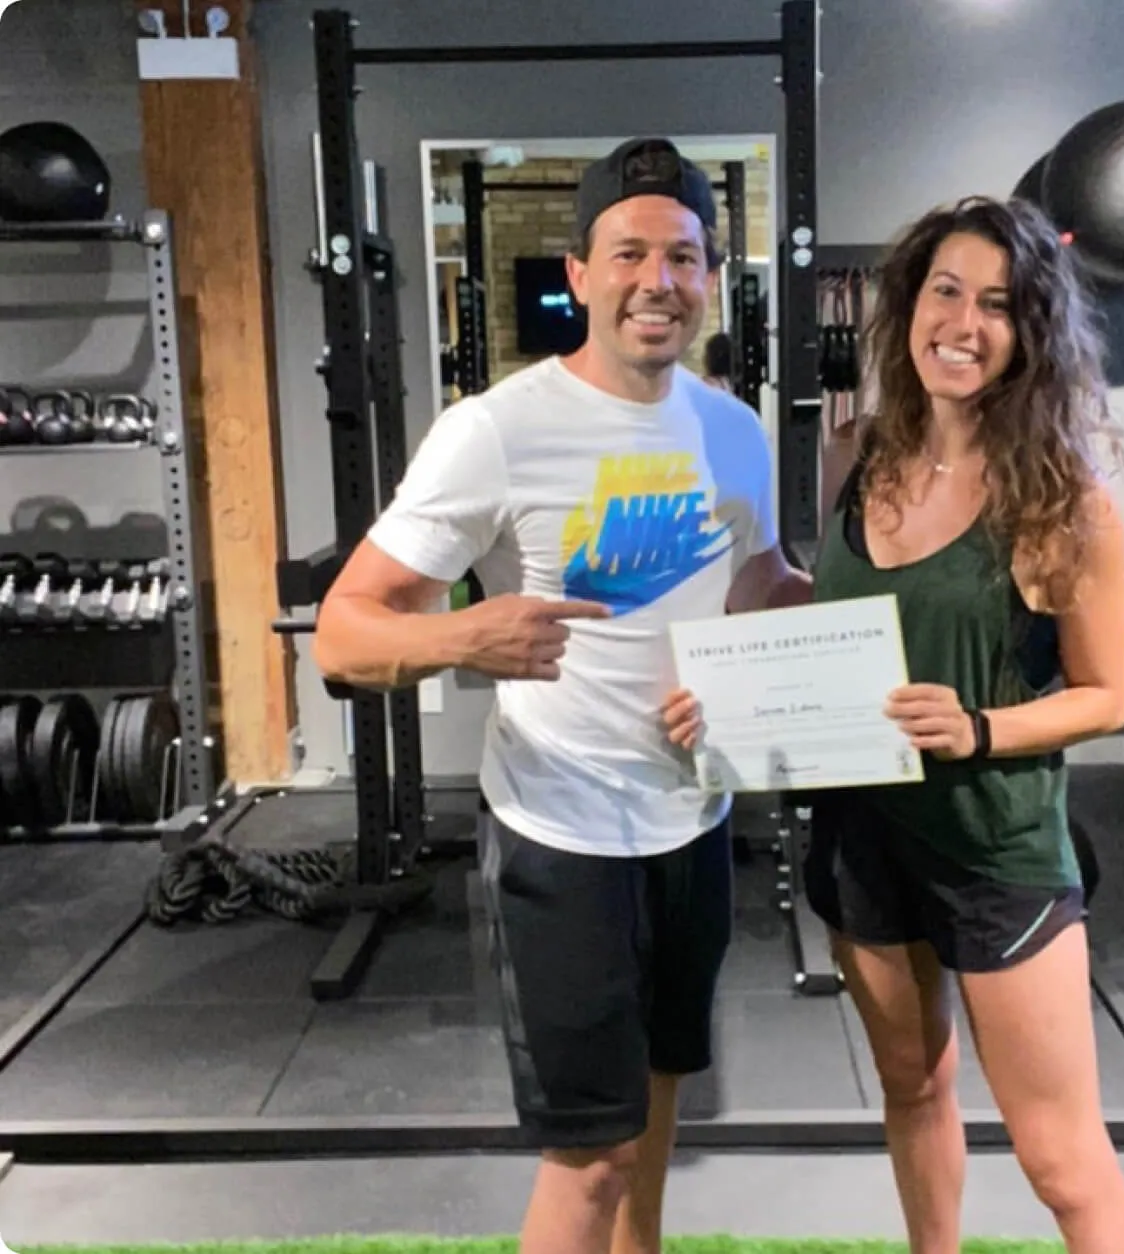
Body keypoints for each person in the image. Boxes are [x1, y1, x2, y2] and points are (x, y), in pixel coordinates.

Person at [312, 136, 810, 1254]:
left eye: (683, 257)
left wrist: (862, 617)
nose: (658, 281)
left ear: (708, 277)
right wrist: (462, 634)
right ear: (579, 275)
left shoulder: (732, 430)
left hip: (695, 816)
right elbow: (342, 635)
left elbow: (760, 585)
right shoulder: (493, 430)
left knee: (658, 1107)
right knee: (586, 1160)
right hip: (561, 832)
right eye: (628, 253)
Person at [663, 195, 1124, 1254]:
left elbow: (1103, 697)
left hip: (996, 850)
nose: (962, 324)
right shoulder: (856, 454)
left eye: (996, 304)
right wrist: (736, 669)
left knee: (1062, 1161)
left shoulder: (1064, 495)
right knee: (911, 1085)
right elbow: (830, 610)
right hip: (860, 833)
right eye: (944, 291)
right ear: (908, 303)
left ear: (1031, 332)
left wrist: (975, 727)